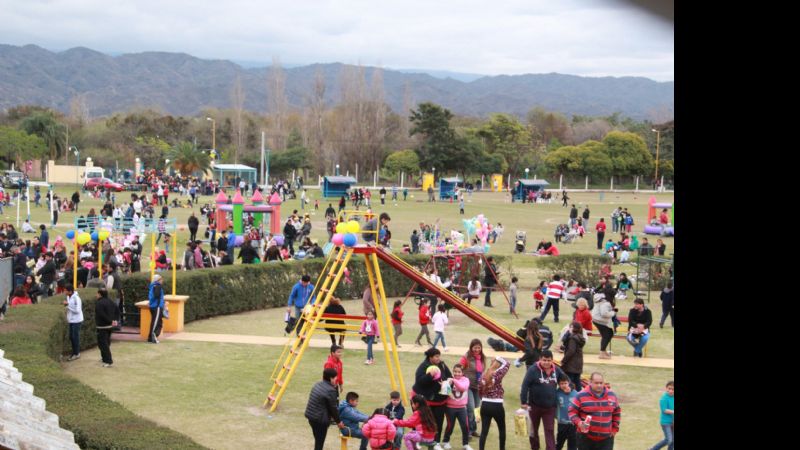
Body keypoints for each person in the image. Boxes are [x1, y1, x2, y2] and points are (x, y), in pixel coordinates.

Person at [521, 350, 565, 450]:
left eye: (549, 360)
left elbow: (565, 380)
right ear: (540, 359)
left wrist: (568, 388)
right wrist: (523, 401)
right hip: (534, 406)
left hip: (550, 407)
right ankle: (535, 448)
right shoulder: (532, 370)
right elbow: (525, 385)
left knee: (549, 430)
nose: (546, 362)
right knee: (533, 430)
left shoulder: (556, 370)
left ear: (552, 360)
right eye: (544, 360)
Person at [568, 372, 621, 450]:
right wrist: (579, 423)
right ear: (590, 382)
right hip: (585, 438)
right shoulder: (580, 395)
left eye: (601, 383)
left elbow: (617, 412)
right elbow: (571, 412)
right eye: (596, 383)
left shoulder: (612, 395)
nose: (599, 385)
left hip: (606, 439)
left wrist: (614, 429)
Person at [412, 348, 453, 445]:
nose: (439, 358)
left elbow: (449, 376)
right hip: (426, 399)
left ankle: (436, 442)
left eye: (439, 356)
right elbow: (420, 381)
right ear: (430, 357)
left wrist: (448, 382)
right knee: (423, 420)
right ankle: (417, 440)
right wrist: (430, 375)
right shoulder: (424, 366)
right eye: (436, 356)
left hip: (440, 400)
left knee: (439, 421)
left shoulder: (442, 364)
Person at [305, 368, 345, 450]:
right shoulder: (331, 390)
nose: (336, 379)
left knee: (318, 440)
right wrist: (339, 422)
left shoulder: (318, 384)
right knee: (319, 443)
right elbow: (333, 408)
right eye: (335, 377)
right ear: (331, 378)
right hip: (320, 420)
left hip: (311, 417)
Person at [478, 356, 509, 450]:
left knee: (484, 431)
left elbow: (479, 390)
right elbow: (507, 364)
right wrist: (497, 358)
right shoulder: (497, 374)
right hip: (497, 405)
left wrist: (482, 399)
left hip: (485, 404)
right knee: (502, 429)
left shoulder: (483, 376)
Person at [441, 364, 473, 450]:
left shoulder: (466, 380)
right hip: (450, 408)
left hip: (462, 408)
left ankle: (465, 444)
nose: (457, 373)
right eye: (455, 371)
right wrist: (445, 384)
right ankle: (446, 441)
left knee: (465, 426)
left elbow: (463, 388)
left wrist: (454, 381)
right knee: (450, 425)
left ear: (463, 373)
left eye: (459, 372)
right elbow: (444, 392)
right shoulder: (449, 380)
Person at [459, 339, 486, 440]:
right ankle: (468, 432)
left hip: (478, 386)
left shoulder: (482, 358)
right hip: (468, 386)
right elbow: (459, 368)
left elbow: (483, 371)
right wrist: (461, 379)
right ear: (471, 347)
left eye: (479, 347)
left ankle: (473, 429)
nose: (477, 349)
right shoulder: (466, 357)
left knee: (476, 409)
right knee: (470, 408)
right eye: (475, 347)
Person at [95, 288, 119, 368]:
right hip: (109, 327)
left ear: (100, 294)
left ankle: (108, 361)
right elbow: (117, 310)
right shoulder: (110, 301)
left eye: (97, 294)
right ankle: (104, 358)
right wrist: (114, 320)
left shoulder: (99, 303)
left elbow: (101, 314)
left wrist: (109, 321)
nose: (96, 295)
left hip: (102, 327)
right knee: (106, 343)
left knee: (103, 344)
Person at [559, 322, 585, 392]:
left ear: (574, 328)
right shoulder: (579, 337)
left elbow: (571, 351)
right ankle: (580, 396)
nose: (569, 329)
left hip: (571, 364)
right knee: (577, 382)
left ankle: (571, 396)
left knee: (569, 382)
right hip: (578, 363)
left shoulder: (572, 338)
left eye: (570, 327)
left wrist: (563, 361)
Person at [648, 381, 674, 450]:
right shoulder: (664, 398)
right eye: (669, 388)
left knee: (673, 441)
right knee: (669, 440)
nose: (671, 391)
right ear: (666, 388)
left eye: (673, 389)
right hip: (665, 423)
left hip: (673, 422)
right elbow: (664, 410)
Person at [555, 375, 578, 450]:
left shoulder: (575, 393)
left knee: (573, 445)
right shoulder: (556, 393)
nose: (564, 385)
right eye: (561, 383)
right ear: (558, 384)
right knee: (559, 443)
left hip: (573, 424)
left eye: (565, 383)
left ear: (569, 383)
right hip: (562, 423)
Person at [63, 285, 83, 361]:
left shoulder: (77, 298)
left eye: (66, 290)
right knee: (71, 337)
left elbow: (77, 310)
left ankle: (76, 353)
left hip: (77, 320)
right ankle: (75, 352)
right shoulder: (68, 297)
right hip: (71, 320)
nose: (64, 292)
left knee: (75, 337)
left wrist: (67, 305)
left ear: (70, 291)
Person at [147, 274, 165, 344]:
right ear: (158, 280)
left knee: (157, 322)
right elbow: (156, 295)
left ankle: (151, 337)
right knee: (156, 322)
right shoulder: (157, 286)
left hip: (154, 306)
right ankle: (153, 337)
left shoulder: (153, 286)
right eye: (161, 279)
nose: (162, 280)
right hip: (156, 306)